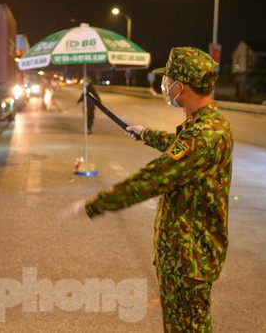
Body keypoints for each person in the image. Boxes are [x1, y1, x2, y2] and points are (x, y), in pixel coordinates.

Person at [60, 47, 234, 332]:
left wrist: (94, 204)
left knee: (187, 327)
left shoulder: (203, 136)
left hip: (187, 258)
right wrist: (145, 133)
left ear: (184, 85)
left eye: (170, 80)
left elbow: (151, 179)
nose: (166, 86)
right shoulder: (210, 124)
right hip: (188, 253)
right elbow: (181, 146)